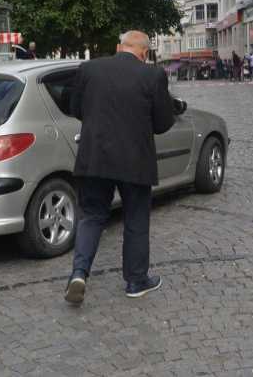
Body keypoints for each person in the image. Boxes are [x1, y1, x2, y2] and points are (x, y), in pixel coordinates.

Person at [64, 30, 175, 304]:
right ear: (145, 53)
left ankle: (79, 273)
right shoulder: (153, 76)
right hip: (135, 161)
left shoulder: (89, 69)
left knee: (91, 216)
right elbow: (163, 124)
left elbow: (74, 107)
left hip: (95, 156)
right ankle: (136, 281)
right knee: (136, 220)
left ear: (118, 47)